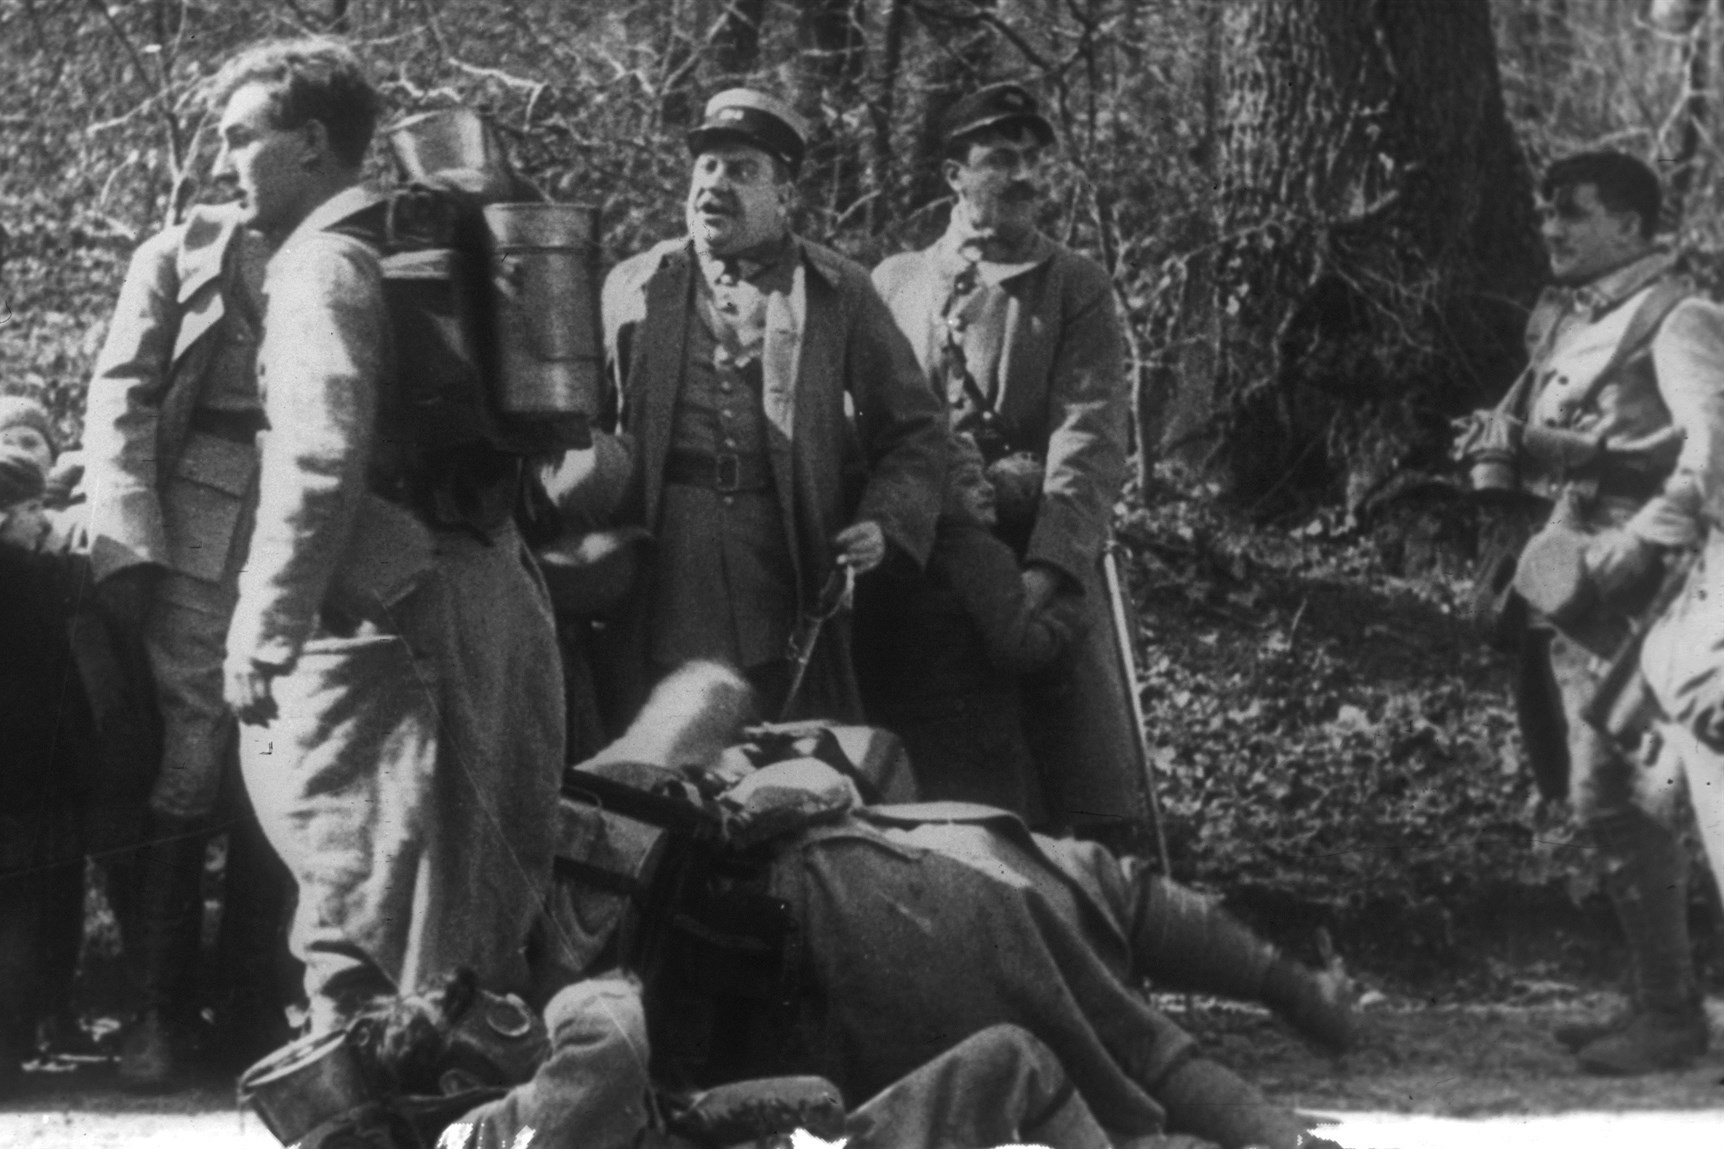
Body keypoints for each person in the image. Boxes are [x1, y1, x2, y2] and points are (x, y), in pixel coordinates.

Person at [546, 664, 1356, 1149]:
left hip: (857, 954)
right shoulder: (626, 790)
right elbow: (711, 689)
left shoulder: (603, 828)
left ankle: (1290, 1067)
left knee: (1123, 1041)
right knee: (1125, 1019)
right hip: (904, 914)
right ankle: (1293, 1040)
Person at [202, 37, 567, 1036]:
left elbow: (315, 461)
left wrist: (261, 628)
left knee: (367, 913)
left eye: (242, 137)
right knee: (450, 909)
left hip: (391, 622)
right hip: (481, 589)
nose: (225, 160)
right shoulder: (399, 250)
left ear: (311, 143)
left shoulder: (321, 264)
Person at [1457, 150, 1723, 1075]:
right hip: (1582, 591)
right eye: (1550, 212)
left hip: (1664, 589)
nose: (1554, 228)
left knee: (1660, 795)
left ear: (1633, 225)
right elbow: (1589, 444)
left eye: (1575, 212)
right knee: (1614, 798)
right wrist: (1519, 447)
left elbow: (1708, 456)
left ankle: (1672, 1013)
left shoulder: (1679, 318)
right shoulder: (1572, 318)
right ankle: (1663, 1001)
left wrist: (1636, 548)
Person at [598, 87, 946, 724]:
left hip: (785, 563)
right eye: (707, 166)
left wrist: (886, 521)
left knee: (780, 761)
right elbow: (587, 427)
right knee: (653, 757)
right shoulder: (634, 286)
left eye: (742, 171)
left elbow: (917, 429)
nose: (715, 185)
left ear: (786, 197)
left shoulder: (839, 293)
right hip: (661, 564)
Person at [871, 82, 1139, 841]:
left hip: (1035, 553)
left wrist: (1050, 571)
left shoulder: (1075, 286)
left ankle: (1095, 909)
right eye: (1001, 158)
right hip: (925, 563)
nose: (1024, 175)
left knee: (1082, 781)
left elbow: (1089, 440)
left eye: (1032, 159)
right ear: (955, 174)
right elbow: (872, 426)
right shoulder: (894, 282)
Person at [80, 190, 296, 1085]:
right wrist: (126, 543)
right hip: (196, 530)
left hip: (307, 522)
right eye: (228, 137)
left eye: (255, 135)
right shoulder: (177, 255)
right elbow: (121, 393)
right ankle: (155, 1010)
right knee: (192, 757)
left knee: (288, 759)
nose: (233, 158)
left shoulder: (349, 243)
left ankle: (256, 1005)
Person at [327, 973, 1172, 1149]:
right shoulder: (486, 1132)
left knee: (1007, 1057)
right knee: (1011, 1058)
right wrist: (588, 993)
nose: (516, 1019)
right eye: (488, 1022)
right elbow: (614, 1042)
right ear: (450, 1082)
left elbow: (667, 1119)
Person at [855, 433, 1085, 820]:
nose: (986, 489)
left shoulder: (900, 561)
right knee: (999, 844)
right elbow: (1017, 647)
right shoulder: (981, 554)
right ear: (930, 497)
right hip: (983, 750)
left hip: (916, 748)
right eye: (966, 482)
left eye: (984, 478)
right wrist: (1064, 621)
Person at [0, 396, 91, 1097]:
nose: (39, 519)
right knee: (20, 905)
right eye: (28, 509)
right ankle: (11, 1040)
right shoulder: (40, 581)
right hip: (23, 779)